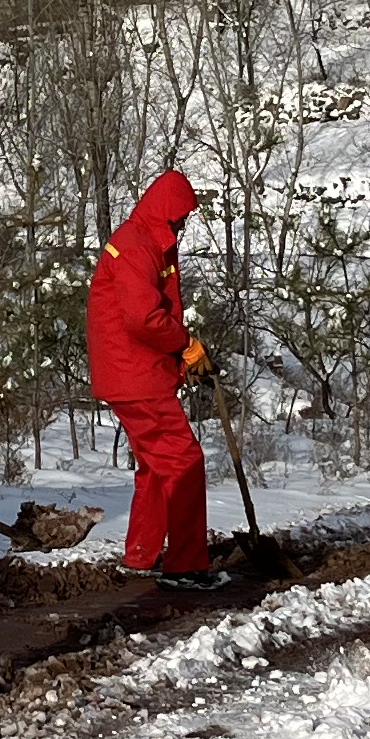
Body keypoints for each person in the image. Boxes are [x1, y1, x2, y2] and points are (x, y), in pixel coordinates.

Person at [86, 167, 227, 590]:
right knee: (184, 462)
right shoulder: (137, 245)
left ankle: (142, 554)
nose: (185, 223)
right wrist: (185, 344)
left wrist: (182, 360)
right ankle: (186, 565)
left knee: (155, 466)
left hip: (138, 373)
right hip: (135, 377)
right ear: (167, 212)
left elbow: (152, 312)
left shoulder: (150, 242)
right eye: (182, 215)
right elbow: (144, 317)